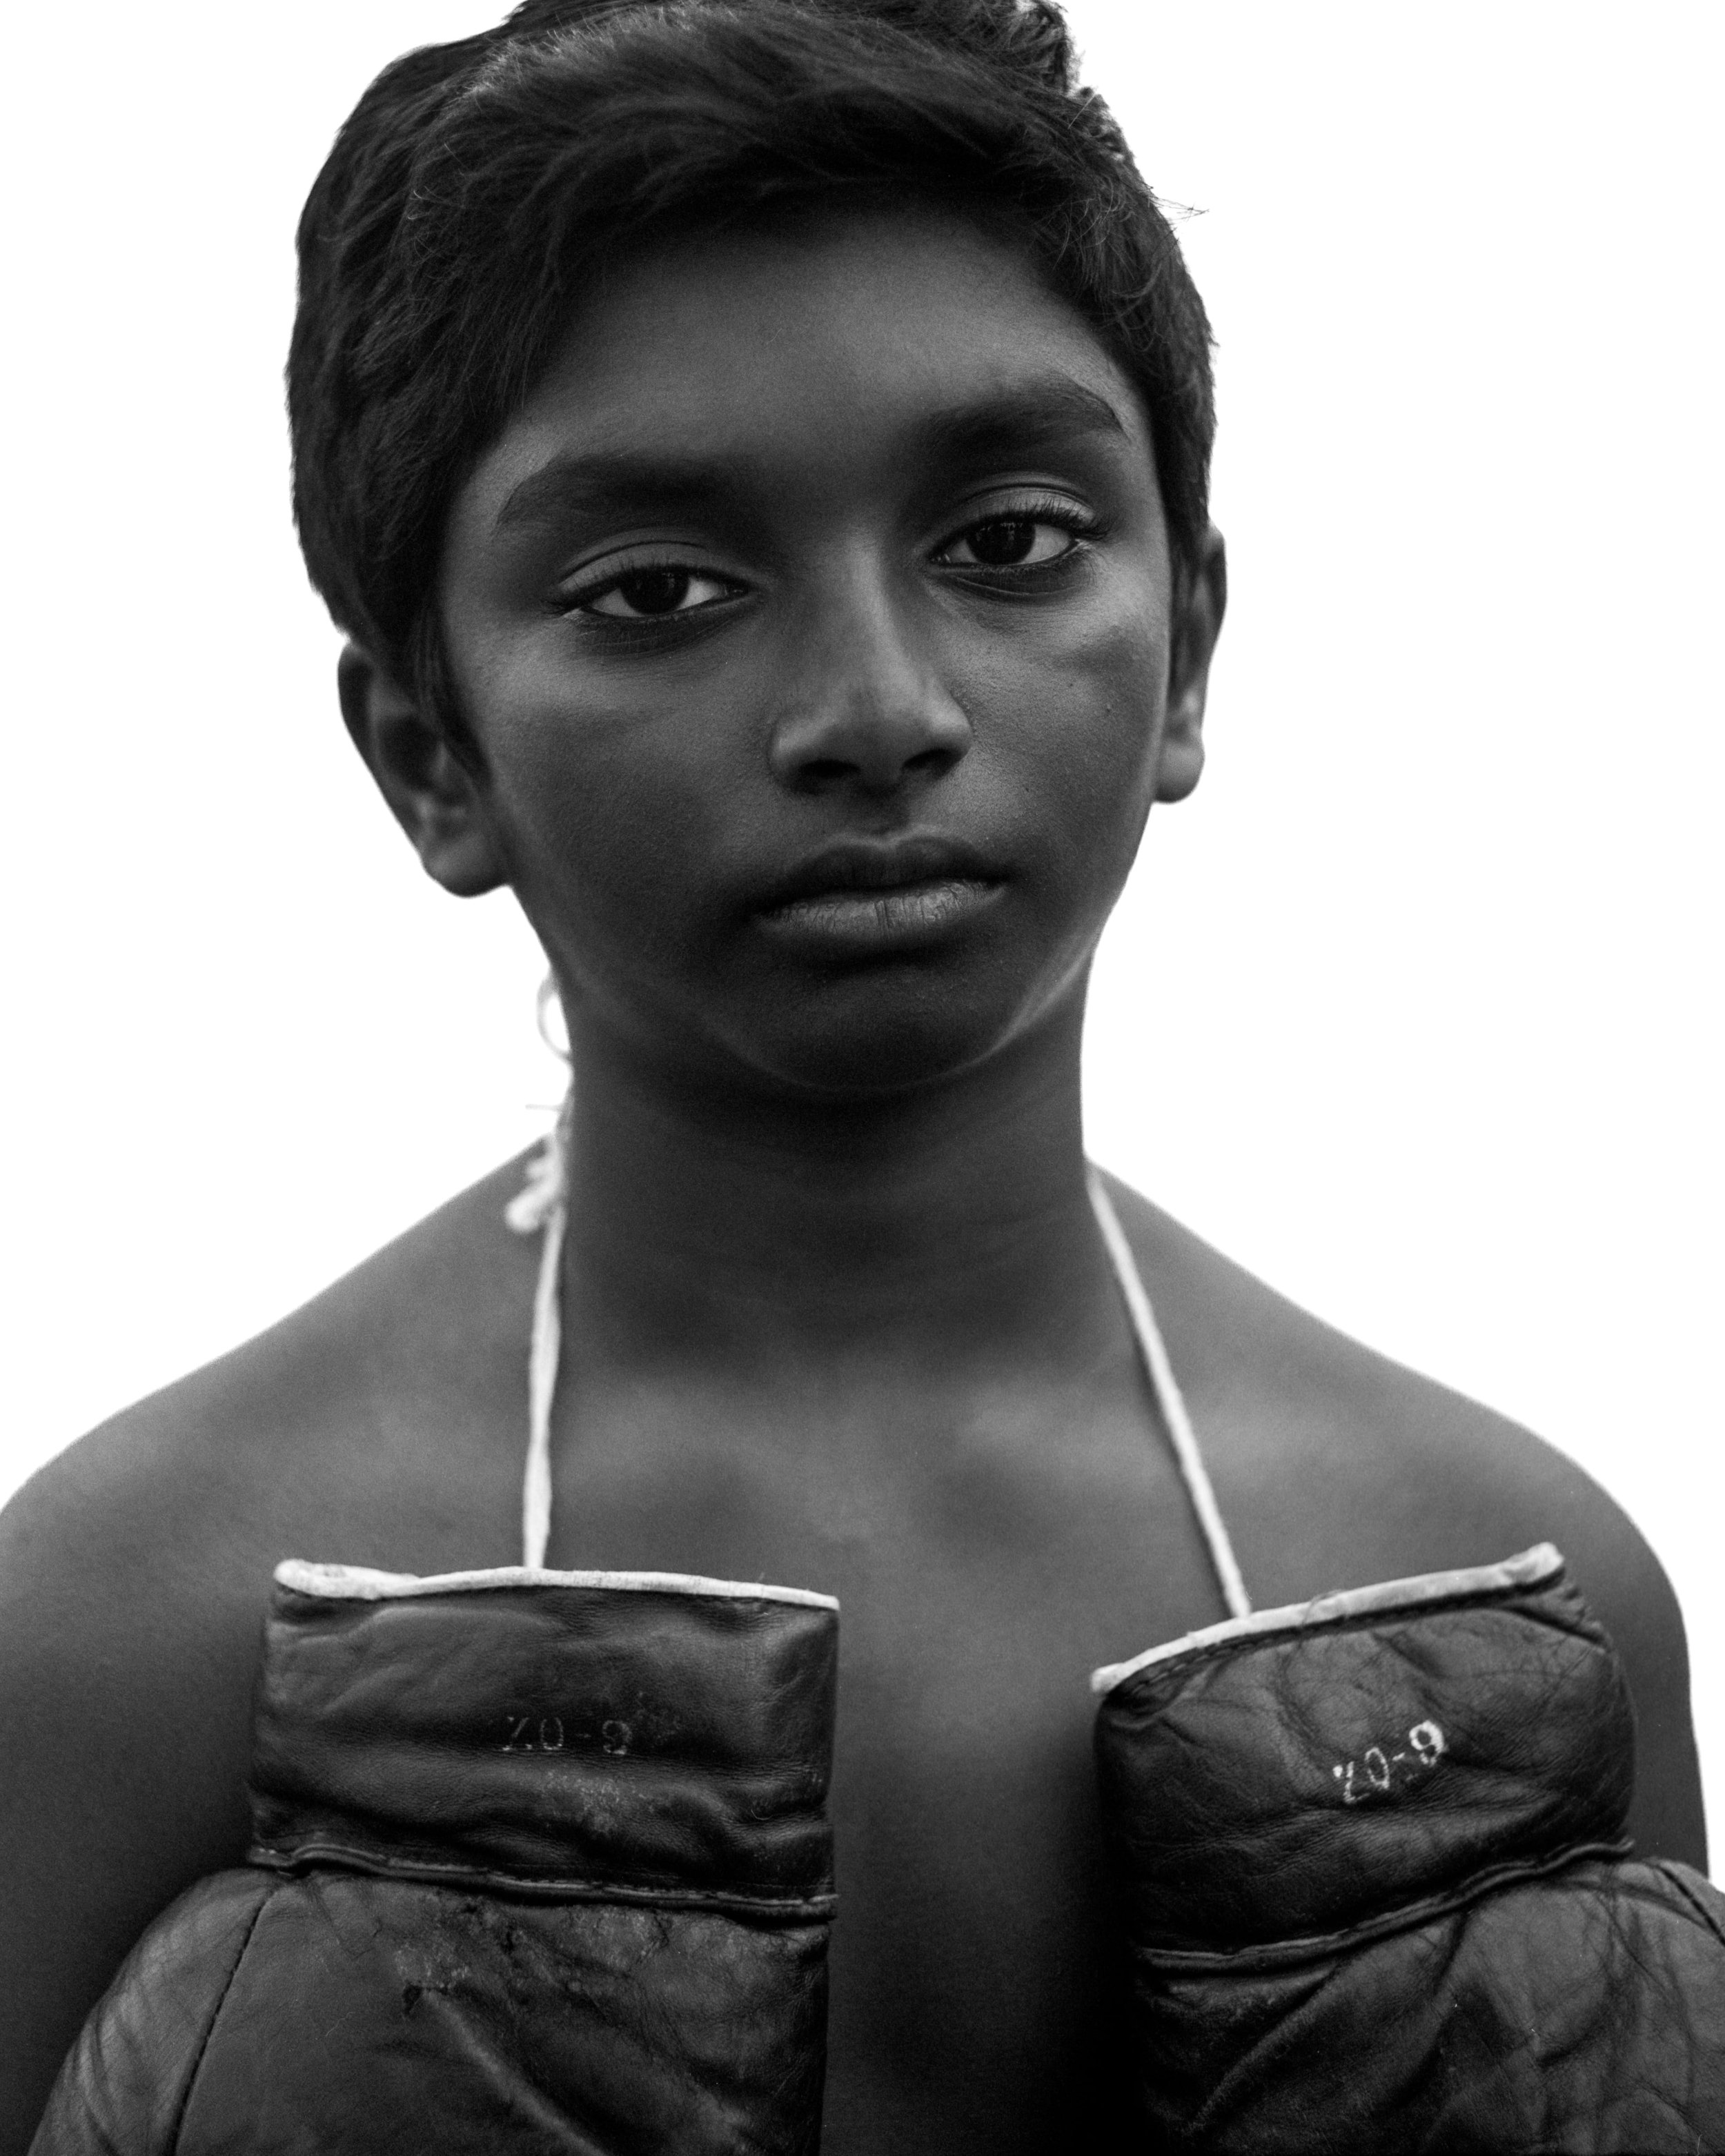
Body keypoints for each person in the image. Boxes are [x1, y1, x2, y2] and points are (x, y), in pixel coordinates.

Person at [0, 0, 1708, 2148]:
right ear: (429, 752)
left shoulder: (1507, 1606)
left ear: (1187, 642)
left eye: (1004, 542)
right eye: (658, 589)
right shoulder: (142, 1627)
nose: (878, 708)